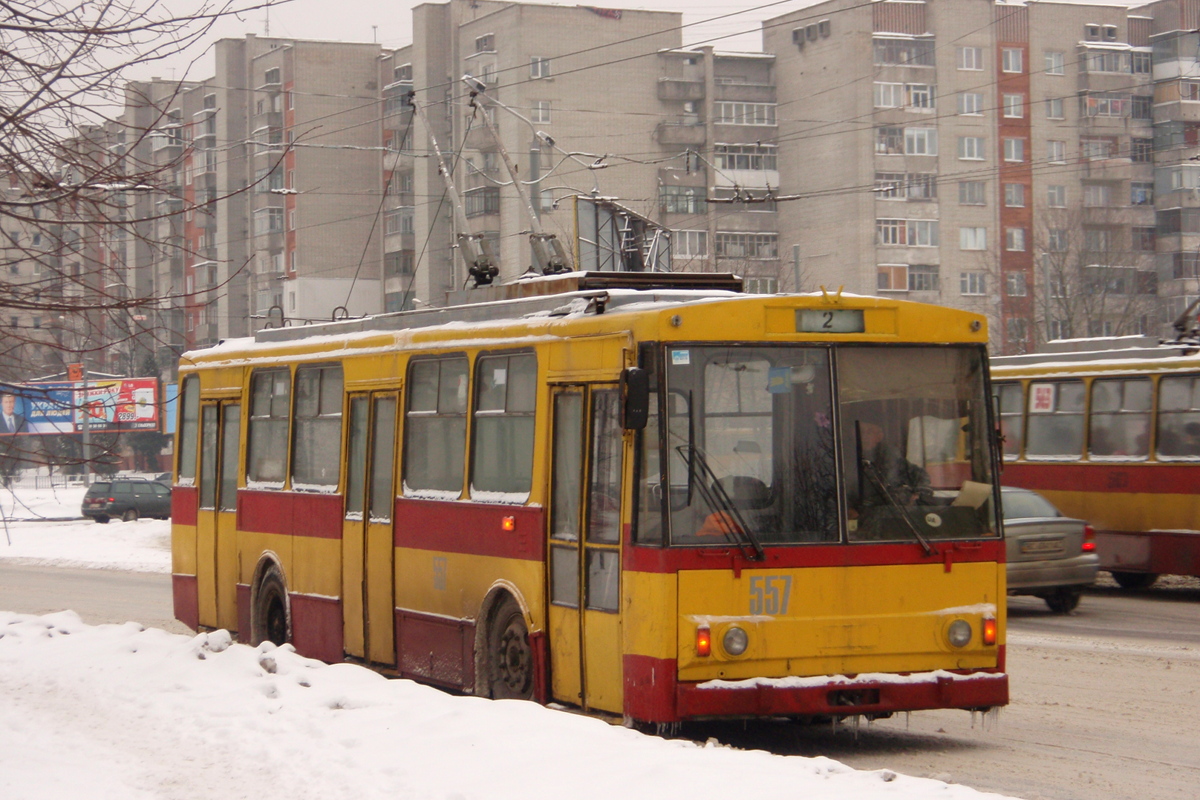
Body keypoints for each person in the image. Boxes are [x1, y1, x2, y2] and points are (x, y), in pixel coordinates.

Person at [854, 421, 932, 511]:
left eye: (869, 432)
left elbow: (920, 475)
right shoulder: (845, 457)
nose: (864, 437)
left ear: (879, 436)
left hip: (889, 512)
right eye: (861, 432)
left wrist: (918, 493)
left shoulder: (891, 458)